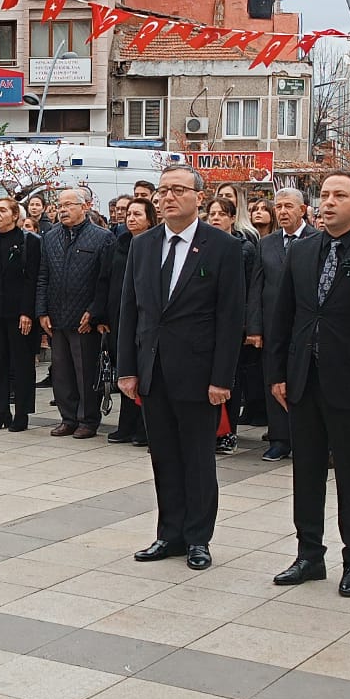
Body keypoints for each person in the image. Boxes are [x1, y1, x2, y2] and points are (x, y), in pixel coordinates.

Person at [269, 172, 350, 597]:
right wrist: (277, 373)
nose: (327, 203)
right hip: (303, 379)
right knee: (305, 472)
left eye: (339, 195)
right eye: (323, 195)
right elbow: (283, 317)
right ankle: (309, 554)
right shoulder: (304, 250)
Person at [117, 163, 246, 572]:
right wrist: (127, 369)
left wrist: (222, 378)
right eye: (162, 190)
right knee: (164, 458)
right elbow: (129, 311)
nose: (167, 197)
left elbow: (230, 318)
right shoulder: (143, 244)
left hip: (199, 373)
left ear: (198, 198)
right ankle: (168, 533)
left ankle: (197, 538)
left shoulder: (221, 246)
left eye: (177, 189)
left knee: (197, 459)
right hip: (152, 370)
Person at [39, 186, 115, 439]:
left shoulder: (102, 238)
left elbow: (105, 281)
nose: (63, 210)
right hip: (57, 316)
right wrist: (42, 311)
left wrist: (94, 312)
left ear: (85, 207)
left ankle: (88, 420)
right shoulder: (50, 237)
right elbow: (43, 276)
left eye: (69, 205)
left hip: (85, 319)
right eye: (60, 206)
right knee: (61, 372)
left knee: (85, 372)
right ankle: (67, 417)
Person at [249, 188, 309, 463]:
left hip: (305, 325)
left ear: (303, 209)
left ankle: (304, 437)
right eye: (279, 207)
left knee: (302, 381)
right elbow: (256, 287)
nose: (282, 211)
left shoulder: (316, 240)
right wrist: (255, 327)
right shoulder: (267, 243)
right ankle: (279, 438)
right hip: (273, 325)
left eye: (288, 206)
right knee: (273, 380)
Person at [0, 197, 45, 431]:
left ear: (15, 216)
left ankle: (22, 414)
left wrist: (27, 312)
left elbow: (32, 280)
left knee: (22, 364)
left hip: (20, 314)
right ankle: (1, 412)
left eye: (2, 210)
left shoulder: (29, 242)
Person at [206, 196, 260, 454]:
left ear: (231, 218)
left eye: (221, 213)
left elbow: (249, 290)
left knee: (230, 380)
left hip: (233, 323)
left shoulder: (243, 248)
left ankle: (229, 431)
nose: (216, 218)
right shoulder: (202, 246)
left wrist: (249, 325)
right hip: (206, 323)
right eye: (212, 213)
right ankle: (212, 430)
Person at [106, 198, 155, 446]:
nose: (131, 218)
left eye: (137, 214)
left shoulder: (155, 244)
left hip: (146, 320)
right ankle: (125, 425)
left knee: (145, 374)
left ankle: (144, 428)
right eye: (128, 214)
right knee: (125, 369)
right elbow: (106, 279)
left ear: (150, 218)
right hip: (119, 317)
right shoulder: (121, 243)